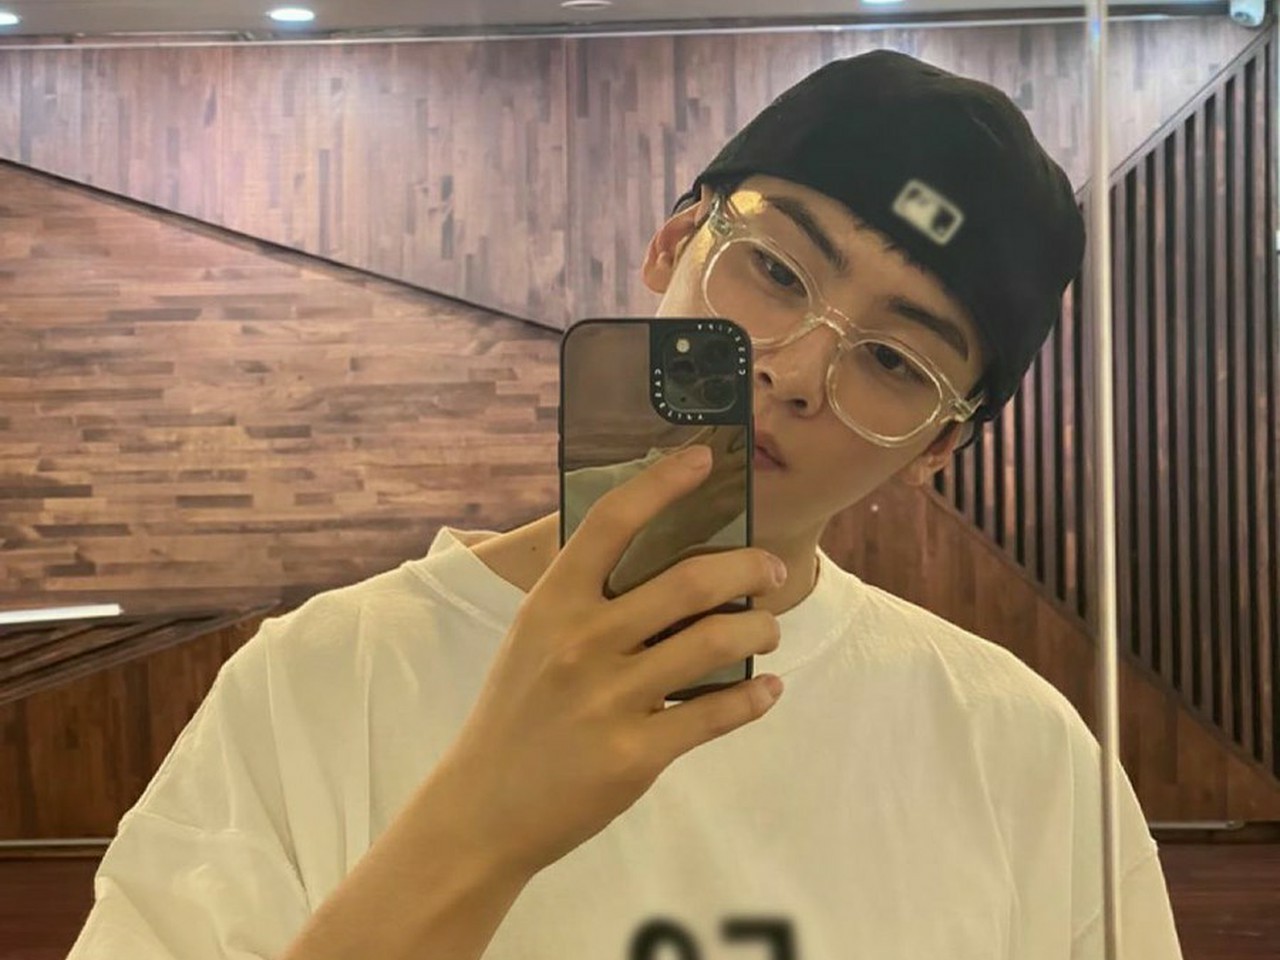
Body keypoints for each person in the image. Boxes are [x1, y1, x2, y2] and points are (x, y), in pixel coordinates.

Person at [66, 50, 1184, 960]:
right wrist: (481, 828)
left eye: (893, 361)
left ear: (935, 446)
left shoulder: (1017, 749)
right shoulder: (320, 680)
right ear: (672, 242)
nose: (794, 368)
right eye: (776, 271)